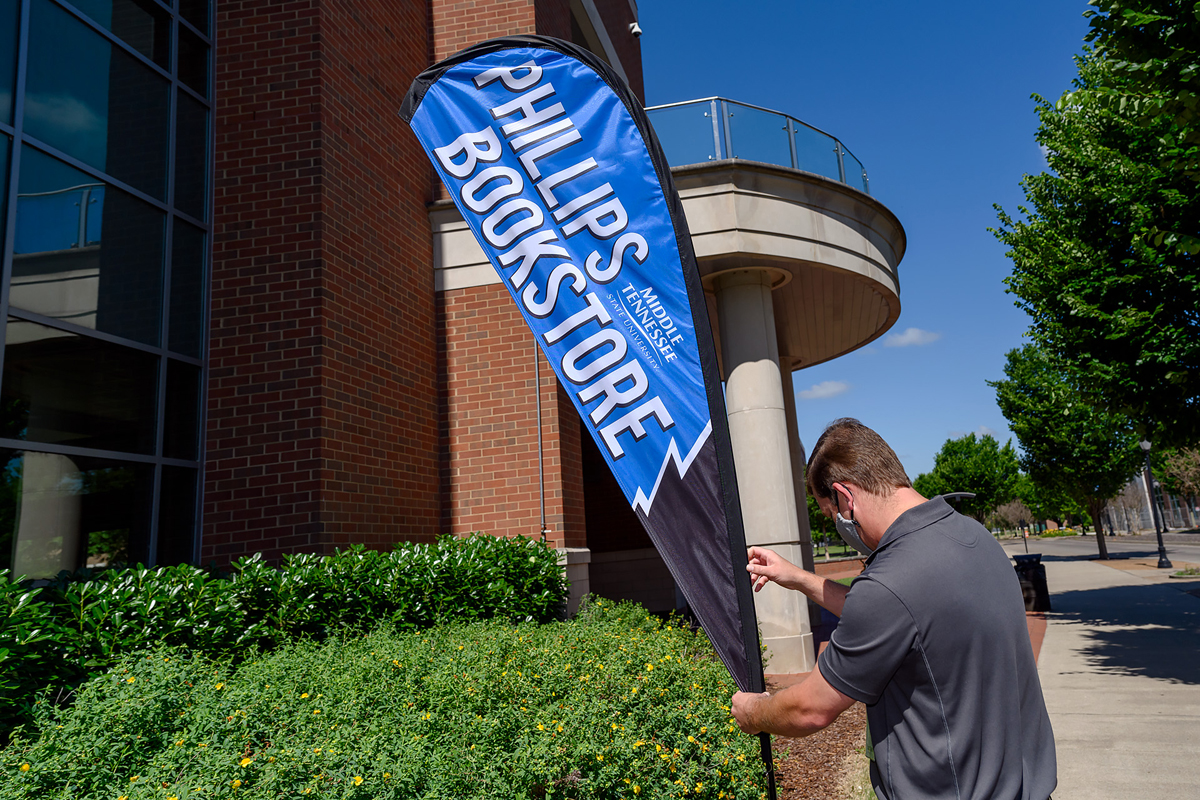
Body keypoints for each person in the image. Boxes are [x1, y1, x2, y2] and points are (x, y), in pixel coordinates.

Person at [731, 418, 1056, 800]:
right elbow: (907, 619)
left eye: (828, 513)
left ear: (844, 498)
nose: (835, 524)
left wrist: (755, 711)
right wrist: (799, 578)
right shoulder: (974, 536)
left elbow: (810, 709)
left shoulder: (891, 582)